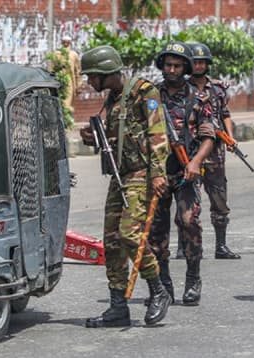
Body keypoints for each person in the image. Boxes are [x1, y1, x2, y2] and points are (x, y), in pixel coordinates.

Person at [78, 45, 172, 327]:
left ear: (107, 73)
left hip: (141, 174)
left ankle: (158, 289)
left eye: (93, 76)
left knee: (130, 234)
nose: (90, 82)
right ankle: (118, 307)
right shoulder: (113, 99)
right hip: (120, 176)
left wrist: (158, 174)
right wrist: (94, 137)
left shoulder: (145, 92)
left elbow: (158, 135)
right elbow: (117, 138)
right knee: (113, 241)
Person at [148, 41, 215, 306]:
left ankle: (193, 278)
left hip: (186, 171)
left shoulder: (198, 98)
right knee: (156, 231)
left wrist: (196, 162)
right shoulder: (151, 96)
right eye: (168, 65)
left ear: (185, 68)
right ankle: (163, 285)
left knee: (189, 222)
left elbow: (209, 135)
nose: (172, 70)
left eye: (177, 65)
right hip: (158, 173)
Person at [181, 42, 241, 260]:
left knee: (219, 200)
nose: (198, 66)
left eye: (201, 62)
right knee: (187, 201)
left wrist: (230, 137)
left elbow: (225, 113)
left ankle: (221, 245)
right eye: (194, 62)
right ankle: (183, 246)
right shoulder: (182, 88)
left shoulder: (218, 89)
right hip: (189, 153)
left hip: (215, 153)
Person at [60, 35, 83, 114]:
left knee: (68, 105)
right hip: (59, 82)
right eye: (64, 42)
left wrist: (79, 85)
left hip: (70, 82)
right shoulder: (57, 54)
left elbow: (78, 71)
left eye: (67, 42)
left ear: (70, 43)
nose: (66, 44)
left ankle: (67, 122)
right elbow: (52, 70)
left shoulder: (73, 55)